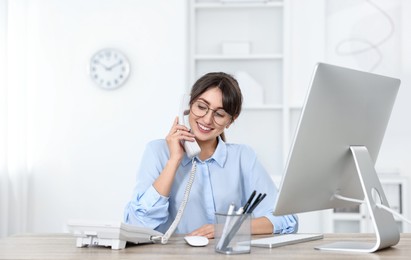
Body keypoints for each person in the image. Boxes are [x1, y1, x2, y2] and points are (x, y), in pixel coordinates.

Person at [123, 72, 298, 238]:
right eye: (201, 107)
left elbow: (286, 219)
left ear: (230, 120)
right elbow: (137, 226)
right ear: (187, 106)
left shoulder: (243, 157)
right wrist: (174, 161)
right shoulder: (157, 152)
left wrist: (226, 229)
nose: (207, 120)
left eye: (220, 114)